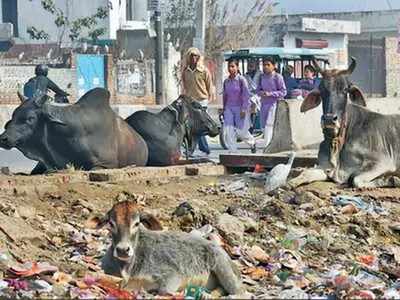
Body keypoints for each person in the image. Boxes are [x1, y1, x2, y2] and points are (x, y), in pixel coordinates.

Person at [181, 47, 213, 156]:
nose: (194, 58)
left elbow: (209, 85)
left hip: (202, 101)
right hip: (191, 102)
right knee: (192, 126)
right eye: (191, 56)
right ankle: (198, 149)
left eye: (196, 56)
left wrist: (210, 97)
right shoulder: (186, 71)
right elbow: (185, 86)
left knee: (198, 126)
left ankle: (201, 149)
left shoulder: (203, 70)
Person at [222, 59, 256, 153]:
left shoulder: (241, 80)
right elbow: (225, 96)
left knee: (241, 131)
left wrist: (244, 109)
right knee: (229, 130)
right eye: (229, 66)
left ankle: (252, 142)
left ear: (237, 67)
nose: (230, 68)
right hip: (229, 108)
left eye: (233, 66)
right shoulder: (226, 81)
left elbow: (246, 95)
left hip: (240, 108)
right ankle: (233, 151)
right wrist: (224, 109)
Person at [256, 57, 287, 148]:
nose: (265, 67)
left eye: (268, 65)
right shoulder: (261, 77)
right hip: (264, 104)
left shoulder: (278, 77)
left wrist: (270, 94)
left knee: (269, 125)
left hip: (274, 104)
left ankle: (268, 146)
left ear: (274, 66)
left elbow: (283, 92)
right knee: (264, 126)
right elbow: (258, 90)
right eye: (264, 65)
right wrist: (261, 93)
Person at [244, 59, 262, 131]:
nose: (250, 65)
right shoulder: (245, 75)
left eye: (252, 64)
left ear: (256, 65)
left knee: (254, 104)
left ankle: (254, 126)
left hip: (259, 95)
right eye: (249, 64)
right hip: (247, 95)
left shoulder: (261, 75)